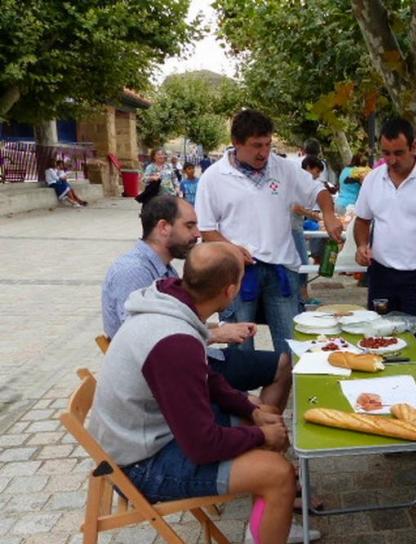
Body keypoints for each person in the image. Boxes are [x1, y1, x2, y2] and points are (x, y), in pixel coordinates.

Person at [89, 242, 334, 544]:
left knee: (259, 423)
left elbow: (207, 377)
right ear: (230, 291)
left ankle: (270, 523)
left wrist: (252, 410)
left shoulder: (169, 302)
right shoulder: (173, 340)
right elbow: (202, 444)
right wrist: (262, 436)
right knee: (277, 472)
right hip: (140, 464)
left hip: (149, 437)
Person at [101, 194, 291, 411]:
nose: (198, 234)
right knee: (255, 403)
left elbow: (176, 320)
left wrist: (220, 326)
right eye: (189, 226)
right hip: (166, 377)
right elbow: (146, 343)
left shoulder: (163, 267)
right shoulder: (133, 271)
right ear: (163, 227)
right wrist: (216, 335)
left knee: (284, 364)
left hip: (192, 359)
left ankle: (259, 423)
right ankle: (254, 425)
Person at [195, 109, 342, 354]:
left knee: (291, 348)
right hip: (238, 274)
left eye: (268, 144)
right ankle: (244, 381)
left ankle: (285, 380)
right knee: (240, 350)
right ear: (236, 143)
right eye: (256, 146)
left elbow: (318, 191)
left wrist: (329, 214)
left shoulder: (284, 168)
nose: (263, 152)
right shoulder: (214, 177)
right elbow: (207, 229)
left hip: (281, 268)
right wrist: (232, 249)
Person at [353, 116, 416, 349]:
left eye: (398, 153)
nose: (391, 160)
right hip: (381, 275)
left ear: (413, 147)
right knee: (378, 341)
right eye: (386, 153)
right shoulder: (373, 179)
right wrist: (361, 245)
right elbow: (362, 221)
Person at [290, 156, 326, 308]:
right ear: (309, 168)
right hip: (292, 227)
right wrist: (314, 215)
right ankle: (303, 296)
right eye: (316, 172)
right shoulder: (298, 182)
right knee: (303, 263)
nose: (317, 176)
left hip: (296, 225)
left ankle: (300, 295)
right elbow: (295, 207)